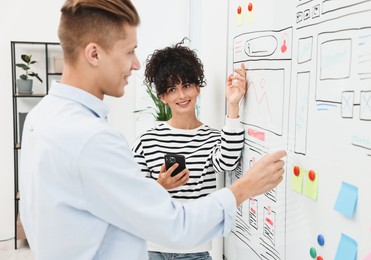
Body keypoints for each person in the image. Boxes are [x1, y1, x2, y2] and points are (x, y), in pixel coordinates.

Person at [19, 0, 286, 260]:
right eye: (129, 51)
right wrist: (247, 185)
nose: (135, 64)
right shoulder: (92, 139)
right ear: (94, 53)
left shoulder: (40, 117)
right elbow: (175, 226)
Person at [131, 41, 247, 260]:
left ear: (197, 88)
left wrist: (233, 105)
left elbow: (229, 161)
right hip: (152, 249)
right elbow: (133, 196)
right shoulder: (147, 140)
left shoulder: (212, 138)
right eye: (172, 89)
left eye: (186, 86)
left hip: (195, 250)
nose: (181, 95)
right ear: (162, 97)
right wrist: (160, 186)